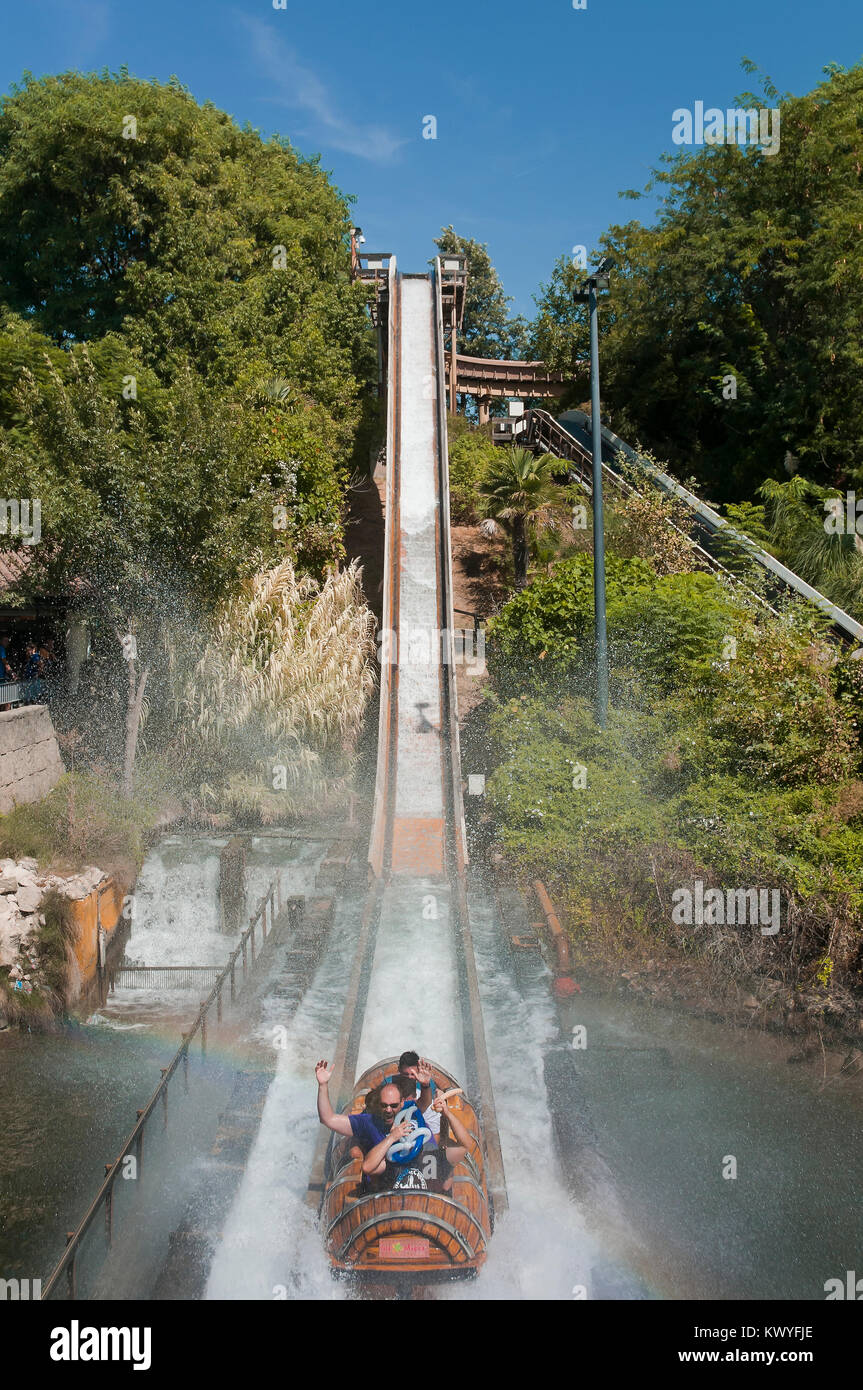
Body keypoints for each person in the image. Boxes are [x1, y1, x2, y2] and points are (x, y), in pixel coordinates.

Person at [314, 1059, 468, 1193]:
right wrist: (323, 1085)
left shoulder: (410, 1110)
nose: (388, 1110)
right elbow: (328, 1119)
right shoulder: (367, 1121)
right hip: (388, 1182)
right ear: (378, 1104)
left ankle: (444, 1191)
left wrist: (429, 1089)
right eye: (384, 1105)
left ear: (402, 1102)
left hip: (422, 1175)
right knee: (379, 1165)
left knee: (453, 1158)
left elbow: (465, 1145)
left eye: (394, 1106)